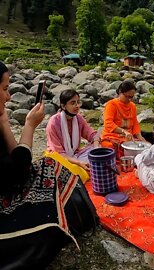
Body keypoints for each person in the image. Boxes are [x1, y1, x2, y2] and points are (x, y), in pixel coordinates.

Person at [0, 61, 79, 268]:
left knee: (53, 167)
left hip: (10, 180)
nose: (8, 97)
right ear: (63, 105)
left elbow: (15, 156)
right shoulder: (55, 121)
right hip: (5, 194)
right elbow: (17, 172)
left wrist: (4, 122)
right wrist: (29, 127)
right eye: (5, 89)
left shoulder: (80, 119)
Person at [46, 89, 100, 171]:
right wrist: (78, 163)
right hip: (60, 158)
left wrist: (96, 149)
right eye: (73, 103)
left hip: (75, 155)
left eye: (78, 102)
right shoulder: (54, 122)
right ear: (63, 106)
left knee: (101, 148)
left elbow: (93, 135)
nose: (77, 106)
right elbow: (58, 153)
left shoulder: (78, 118)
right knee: (70, 169)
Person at [101, 80, 146, 151]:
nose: (130, 99)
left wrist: (140, 136)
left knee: (144, 145)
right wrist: (124, 131)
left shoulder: (132, 106)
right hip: (112, 136)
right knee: (111, 148)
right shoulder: (111, 104)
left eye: (132, 97)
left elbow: (135, 123)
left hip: (129, 138)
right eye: (127, 96)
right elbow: (108, 123)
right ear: (120, 92)